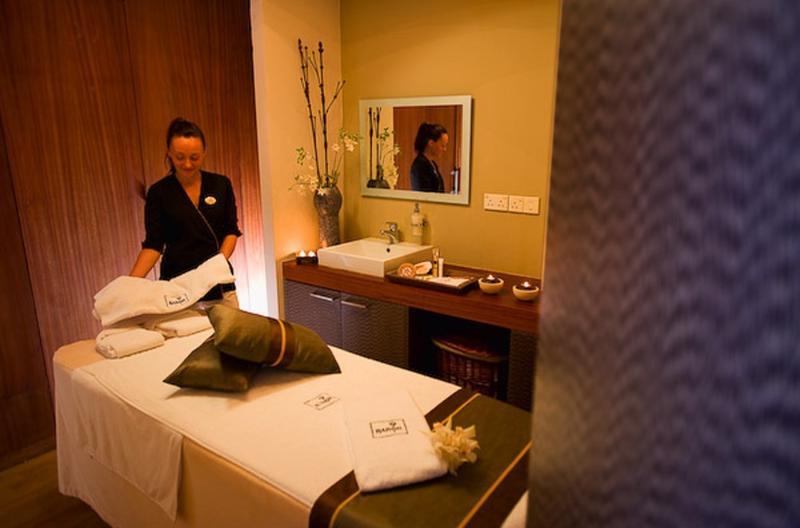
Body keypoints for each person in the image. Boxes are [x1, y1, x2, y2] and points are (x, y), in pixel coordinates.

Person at [129, 118, 241, 307]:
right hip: (177, 286)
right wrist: (130, 284)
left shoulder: (221, 184)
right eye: (180, 157)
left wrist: (217, 264)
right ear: (169, 154)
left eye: (194, 157)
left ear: (204, 153)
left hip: (218, 282)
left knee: (229, 326)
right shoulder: (159, 193)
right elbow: (153, 245)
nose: (188, 164)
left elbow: (231, 231)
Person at [410, 122, 448, 192]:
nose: (444, 149)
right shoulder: (420, 165)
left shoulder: (433, 164)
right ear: (431, 143)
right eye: (442, 146)